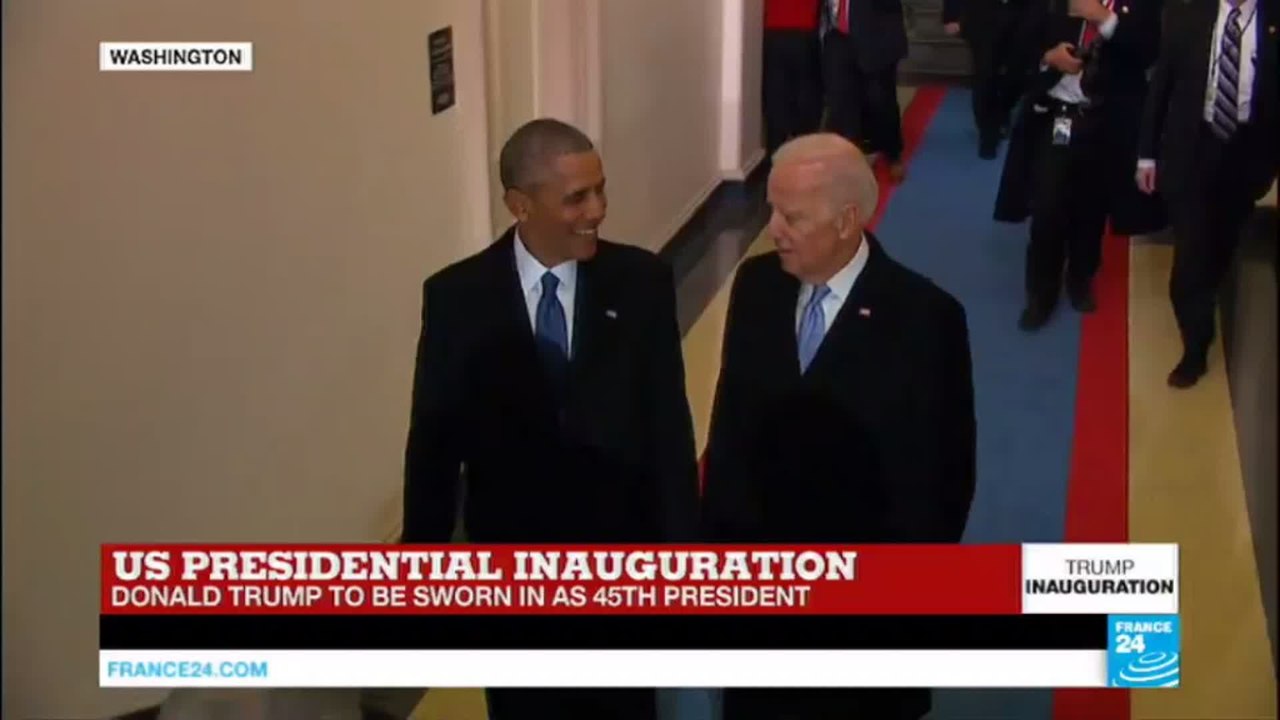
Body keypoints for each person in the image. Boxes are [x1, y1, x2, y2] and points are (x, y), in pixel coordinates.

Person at [401, 118, 700, 719]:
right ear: (520, 204)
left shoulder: (642, 282)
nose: (598, 209)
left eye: (600, 190)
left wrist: (682, 564)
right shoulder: (457, 296)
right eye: (576, 197)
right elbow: (434, 440)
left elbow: (668, 429)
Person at [702, 133, 976, 720]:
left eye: (792, 216)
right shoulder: (756, 289)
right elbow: (729, 434)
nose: (772, 228)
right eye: (771, 209)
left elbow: (941, 485)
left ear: (848, 219)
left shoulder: (927, 319)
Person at [994, 0, 1165, 331]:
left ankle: (1080, 278)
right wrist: (1047, 59)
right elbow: (1014, 43)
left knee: (1092, 208)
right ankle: (1041, 293)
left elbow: (1151, 51)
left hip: (1109, 121)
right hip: (1055, 117)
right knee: (1047, 208)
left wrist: (1106, 19)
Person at [1136, 0, 1277, 387]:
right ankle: (1195, 347)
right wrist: (1146, 155)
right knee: (1191, 257)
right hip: (1191, 151)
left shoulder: (1273, 19)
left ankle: (1208, 289)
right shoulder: (1186, 15)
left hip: (1247, 156)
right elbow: (1160, 86)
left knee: (1221, 244)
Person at [820, 0, 910, 181]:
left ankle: (892, 153)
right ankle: (853, 150)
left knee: (880, 99)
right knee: (841, 98)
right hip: (837, 36)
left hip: (877, 38)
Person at [942, 0, 1035, 157]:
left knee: (1018, 75)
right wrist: (951, 14)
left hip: (1023, 14)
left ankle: (1003, 113)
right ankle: (988, 132)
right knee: (985, 76)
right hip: (983, 14)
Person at [763, 0, 825, 157]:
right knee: (806, 97)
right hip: (804, 29)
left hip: (774, 30)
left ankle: (776, 154)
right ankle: (803, 152)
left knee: (776, 97)